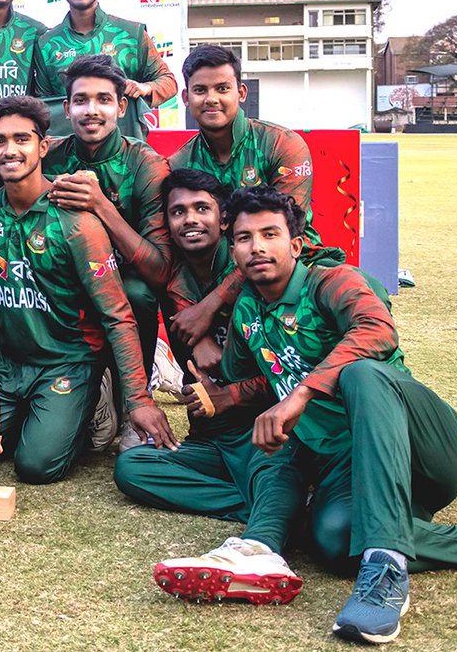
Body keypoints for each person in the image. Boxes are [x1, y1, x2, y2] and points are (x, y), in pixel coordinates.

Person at [217, 186, 457, 643]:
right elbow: (258, 378)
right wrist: (215, 392)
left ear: (295, 245)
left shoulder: (332, 280)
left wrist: (301, 395)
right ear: (232, 251)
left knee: (361, 373)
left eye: (269, 234)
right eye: (244, 238)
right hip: (356, 471)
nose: (257, 247)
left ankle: (386, 567)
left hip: (421, 450)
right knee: (332, 542)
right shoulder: (247, 311)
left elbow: (376, 330)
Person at [116, 169, 306, 604]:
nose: (190, 219)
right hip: (213, 437)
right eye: (178, 211)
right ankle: (274, 507)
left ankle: (266, 530)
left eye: (202, 208)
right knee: (132, 468)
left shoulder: (253, 266)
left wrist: (229, 394)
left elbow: (292, 370)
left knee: (276, 460)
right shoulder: (172, 275)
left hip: (261, 424)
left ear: (223, 221)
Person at [0, 96, 176, 484]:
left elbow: (118, 315)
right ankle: (40, 414)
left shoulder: (77, 222)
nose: (9, 150)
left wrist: (138, 400)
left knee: (36, 467)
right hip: (8, 363)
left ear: (43, 147)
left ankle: (94, 400)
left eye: (21, 139)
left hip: (67, 362)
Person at [166, 43, 343, 380]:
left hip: (287, 264)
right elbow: (169, 248)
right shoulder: (179, 163)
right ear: (186, 98)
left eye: (222, 88)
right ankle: (199, 381)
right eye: (200, 90)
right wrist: (197, 331)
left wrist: (210, 305)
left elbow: (286, 233)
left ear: (241, 92)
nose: (211, 99)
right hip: (212, 269)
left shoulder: (281, 145)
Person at [43, 54, 171, 449]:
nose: (91, 110)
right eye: (81, 100)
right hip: (63, 282)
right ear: (67, 108)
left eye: (103, 100)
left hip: (122, 285)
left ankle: (133, 405)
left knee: (138, 294)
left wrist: (101, 205)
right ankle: (88, 392)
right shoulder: (50, 156)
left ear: (122, 106)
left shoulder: (145, 164)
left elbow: (159, 269)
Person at [33, 0, 175, 138]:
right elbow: (43, 107)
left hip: (125, 147)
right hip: (68, 150)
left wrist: (145, 88)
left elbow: (168, 81)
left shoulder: (132, 34)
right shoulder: (46, 44)